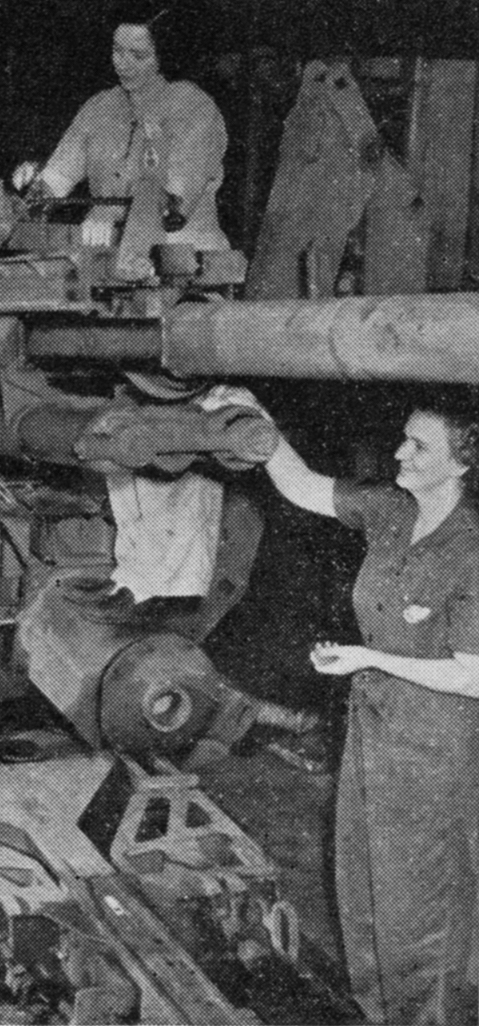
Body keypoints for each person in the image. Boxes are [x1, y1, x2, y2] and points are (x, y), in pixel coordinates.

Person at [207, 384, 479, 1025]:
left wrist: (371, 658)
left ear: (461, 463)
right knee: (362, 889)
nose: (399, 452)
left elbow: (473, 676)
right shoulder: (391, 510)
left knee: (423, 911)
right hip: (376, 728)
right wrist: (259, 418)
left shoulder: (471, 549)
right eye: (404, 438)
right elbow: (301, 486)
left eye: (419, 445)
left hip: (438, 745)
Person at [13, 13, 229, 252]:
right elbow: (60, 176)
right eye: (117, 51)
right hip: (112, 257)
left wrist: (111, 211)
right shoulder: (99, 107)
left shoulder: (194, 108)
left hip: (181, 256)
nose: (122, 63)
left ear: (164, 56)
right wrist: (36, 188)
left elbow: (174, 205)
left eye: (138, 55)